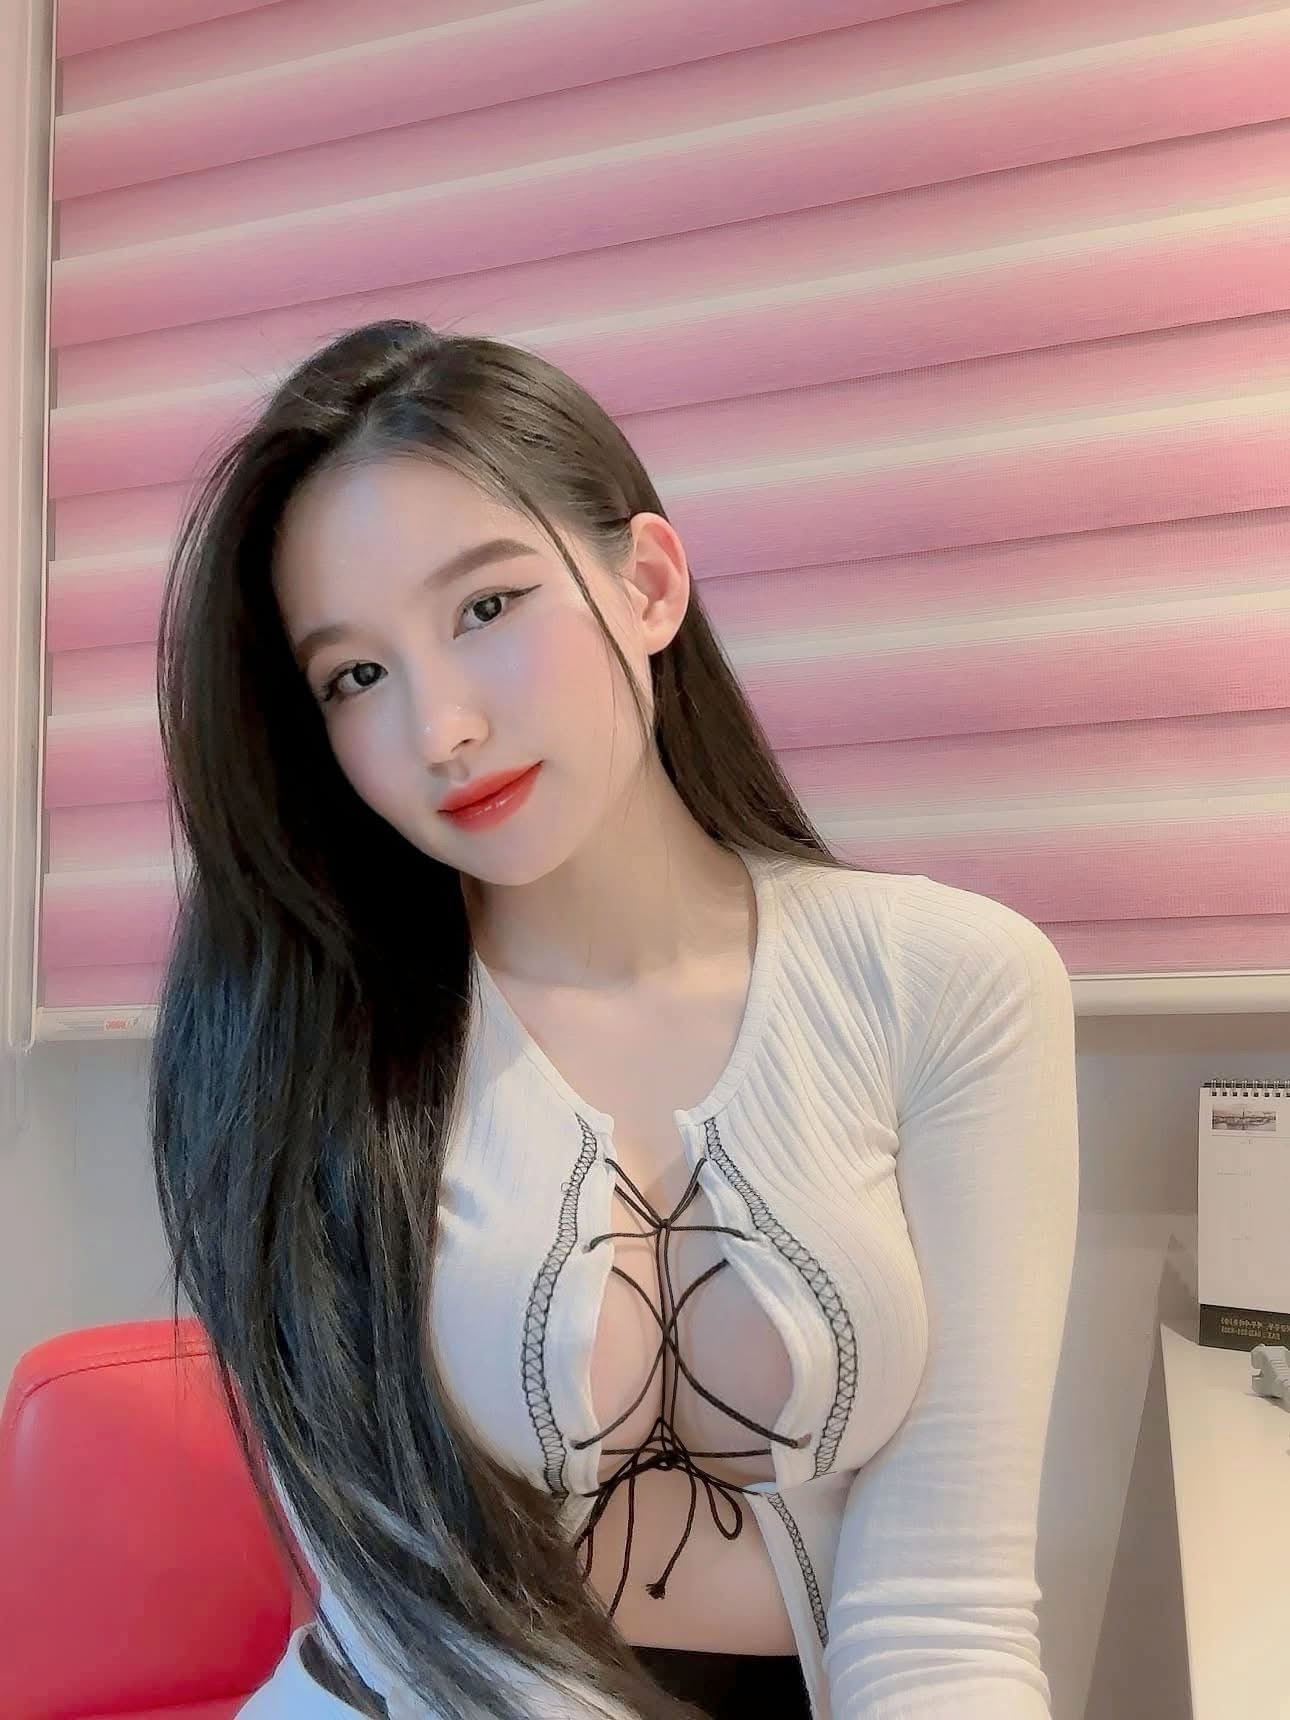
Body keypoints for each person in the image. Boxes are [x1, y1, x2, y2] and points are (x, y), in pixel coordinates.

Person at [149, 321, 1079, 1720]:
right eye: (356, 676)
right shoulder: (295, 1031)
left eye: (485, 606)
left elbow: (945, 1617)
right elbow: (411, 1630)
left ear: (646, 584)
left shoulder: (948, 985)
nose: (440, 729)